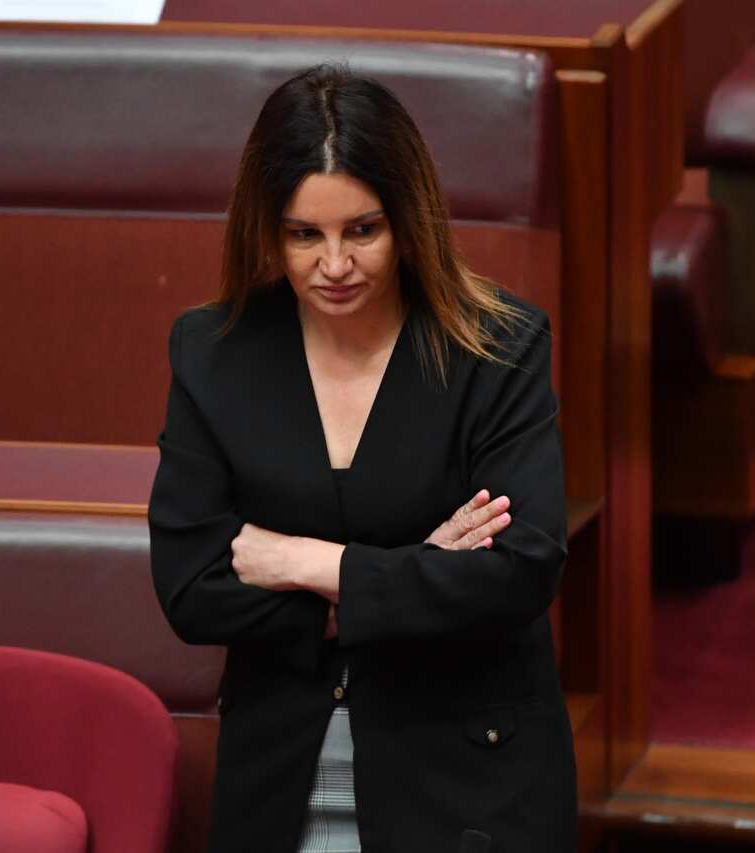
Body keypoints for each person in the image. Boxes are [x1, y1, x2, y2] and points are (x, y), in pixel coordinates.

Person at [148, 65, 575, 853]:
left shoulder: (498, 348)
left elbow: (520, 567)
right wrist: (413, 571)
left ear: (408, 219)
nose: (335, 264)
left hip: (467, 777)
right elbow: (191, 587)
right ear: (268, 229)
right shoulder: (214, 352)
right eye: (304, 234)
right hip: (277, 776)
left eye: (363, 231)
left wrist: (313, 563)